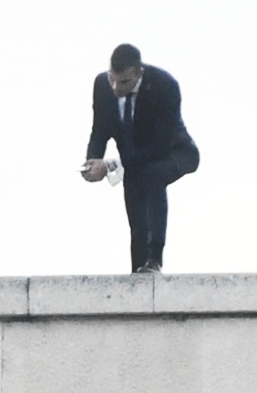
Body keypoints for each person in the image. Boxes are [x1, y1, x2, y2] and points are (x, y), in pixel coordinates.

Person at [83, 43, 200, 274]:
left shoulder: (165, 86)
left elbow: (160, 145)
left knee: (152, 176)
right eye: (112, 80)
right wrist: (92, 161)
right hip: (135, 158)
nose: (116, 88)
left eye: (124, 82)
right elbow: (100, 129)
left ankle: (155, 260)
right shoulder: (101, 85)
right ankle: (139, 269)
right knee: (135, 203)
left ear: (139, 73)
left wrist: (110, 165)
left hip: (172, 152)